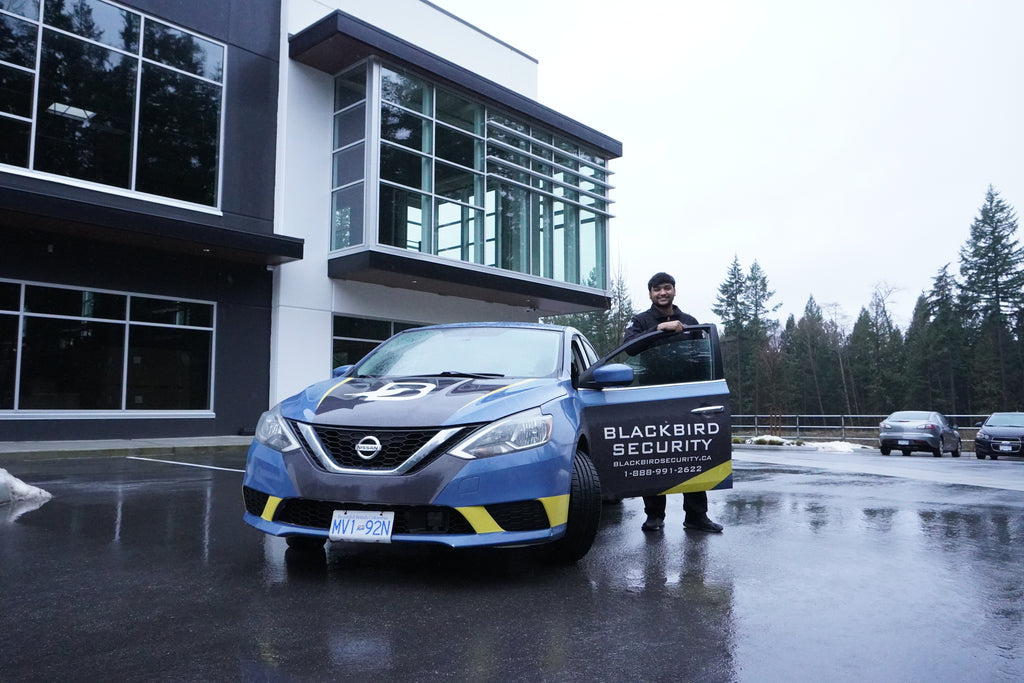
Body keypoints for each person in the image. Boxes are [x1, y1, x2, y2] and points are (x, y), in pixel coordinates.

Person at [623, 271, 724, 534]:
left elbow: (704, 358)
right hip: (651, 398)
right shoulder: (641, 321)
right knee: (653, 456)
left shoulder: (690, 322)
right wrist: (658, 329)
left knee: (693, 454)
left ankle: (696, 517)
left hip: (688, 398)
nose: (662, 293)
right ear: (650, 294)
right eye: (657, 289)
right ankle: (654, 517)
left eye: (667, 288)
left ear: (674, 290)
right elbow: (630, 348)